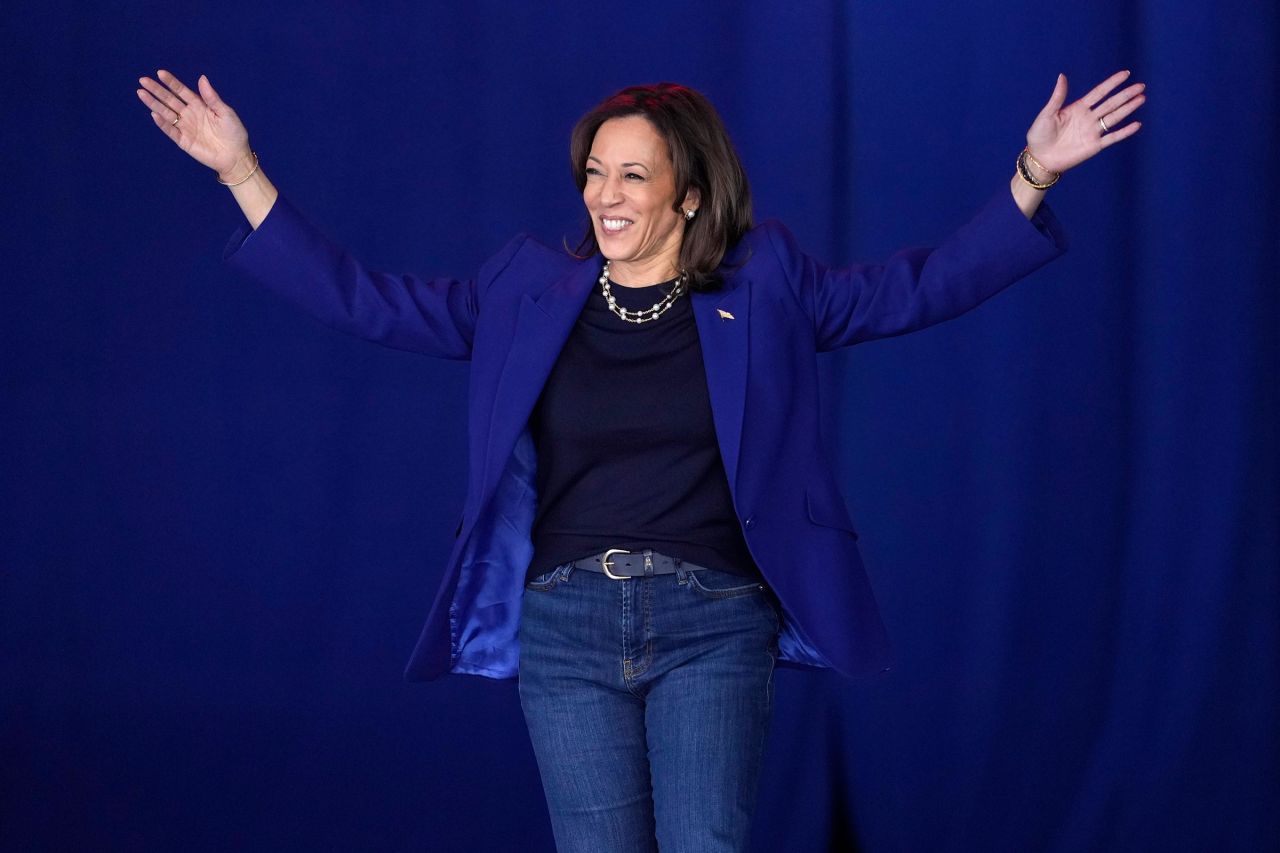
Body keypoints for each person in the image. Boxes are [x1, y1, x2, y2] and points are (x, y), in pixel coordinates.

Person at [136, 69, 1145, 852]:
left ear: (691, 196)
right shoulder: (529, 287)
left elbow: (915, 288)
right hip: (567, 623)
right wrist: (240, 173)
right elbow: (369, 299)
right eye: (592, 172)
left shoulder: (770, 284)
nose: (603, 195)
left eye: (631, 175)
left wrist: (1032, 176)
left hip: (713, 621)